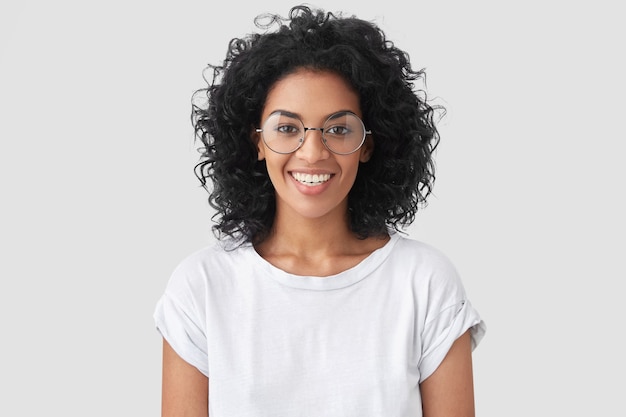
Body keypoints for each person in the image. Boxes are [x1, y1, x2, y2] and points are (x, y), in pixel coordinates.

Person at [154, 5, 486, 417]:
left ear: (368, 144)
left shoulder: (425, 283)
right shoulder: (201, 288)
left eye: (339, 129)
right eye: (287, 128)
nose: (312, 153)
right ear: (256, 141)